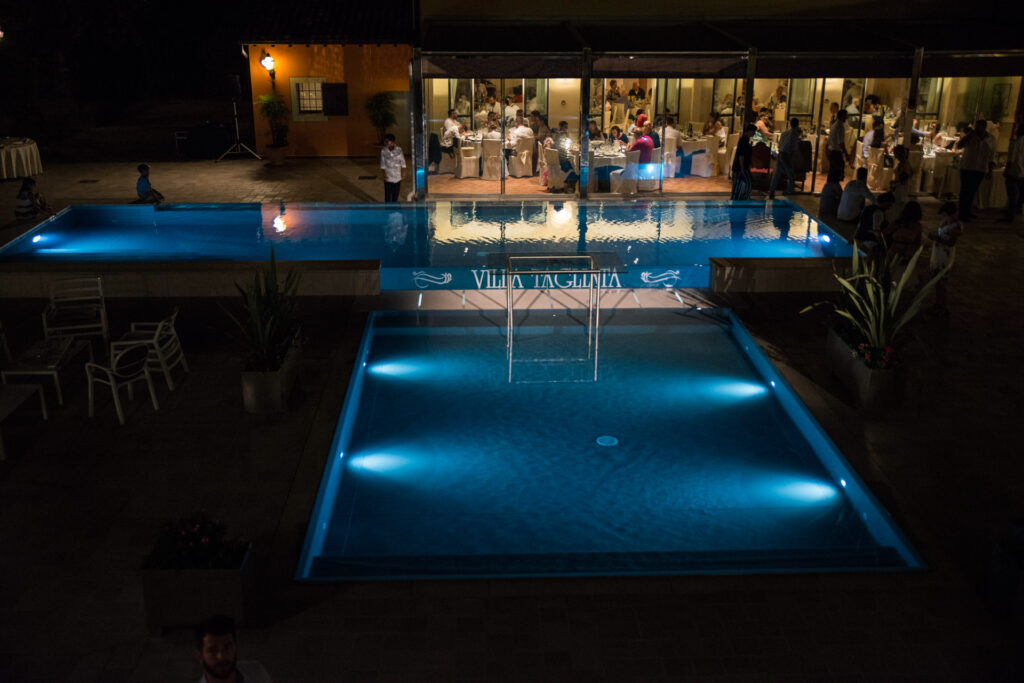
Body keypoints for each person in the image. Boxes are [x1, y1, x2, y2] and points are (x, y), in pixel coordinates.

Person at [195, 615, 273, 683]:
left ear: (236, 648)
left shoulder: (256, 673)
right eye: (213, 650)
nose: (221, 656)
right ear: (200, 656)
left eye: (227, 648)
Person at [925, 201, 962, 316]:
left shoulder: (955, 227)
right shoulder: (947, 223)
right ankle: (938, 304)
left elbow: (951, 242)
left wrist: (935, 238)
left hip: (944, 256)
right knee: (938, 282)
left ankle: (942, 306)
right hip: (939, 253)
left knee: (941, 282)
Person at [956, 120, 996, 221]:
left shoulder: (991, 139)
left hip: (980, 168)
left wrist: (990, 170)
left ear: (984, 127)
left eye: (980, 127)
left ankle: (967, 211)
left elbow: (992, 155)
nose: (978, 129)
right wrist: (968, 136)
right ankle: (962, 213)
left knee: (972, 191)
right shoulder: (970, 137)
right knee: (965, 191)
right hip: (967, 167)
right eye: (977, 127)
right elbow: (959, 145)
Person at [769, 117, 802, 199]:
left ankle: (772, 190)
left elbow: (780, 144)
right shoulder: (794, 134)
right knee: (791, 174)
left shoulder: (784, 133)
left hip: (780, 153)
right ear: (797, 124)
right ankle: (790, 191)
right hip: (787, 155)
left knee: (777, 173)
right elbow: (794, 148)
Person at [1001, 123, 1024, 222]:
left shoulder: (1016, 142)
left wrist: (1007, 169)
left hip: (1014, 171)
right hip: (1021, 172)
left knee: (1012, 194)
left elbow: (1012, 157)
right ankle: (1013, 212)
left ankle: (1010, 215)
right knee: (1017, 194)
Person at [731, 124, 755, 201]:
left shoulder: (745, 139)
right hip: (740, 166)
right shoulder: (744, 140)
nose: (754, 133)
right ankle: (744, 198)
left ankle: (738, 198)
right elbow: (741, 155)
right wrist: (742, 168)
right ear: (749, 131)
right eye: (753, 132)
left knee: (738, 183)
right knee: (748, 182)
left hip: (741, 166)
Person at [379, 133, 405, 203]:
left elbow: (403, 162)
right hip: (388, 177)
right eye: (385, 141)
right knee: (387, 196)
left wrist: (404, 172)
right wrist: (384, 175)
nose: (385, 143)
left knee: (395, 196)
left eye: (387, 141)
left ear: (392, 141)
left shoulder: (399, 149)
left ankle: (394, 208)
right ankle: (387, 209)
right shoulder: (383, 151)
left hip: (397, 176)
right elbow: (382, 164)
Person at [827, 110, 852, 178]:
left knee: (832, 171)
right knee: (838, 171)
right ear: (842, 116)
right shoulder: (840, 126)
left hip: (831, 151)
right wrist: (846, 154)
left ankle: (831, 183)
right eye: (846, 116)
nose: (847, 117)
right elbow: (841, 142)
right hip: (836, 151)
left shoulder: (834, 125)